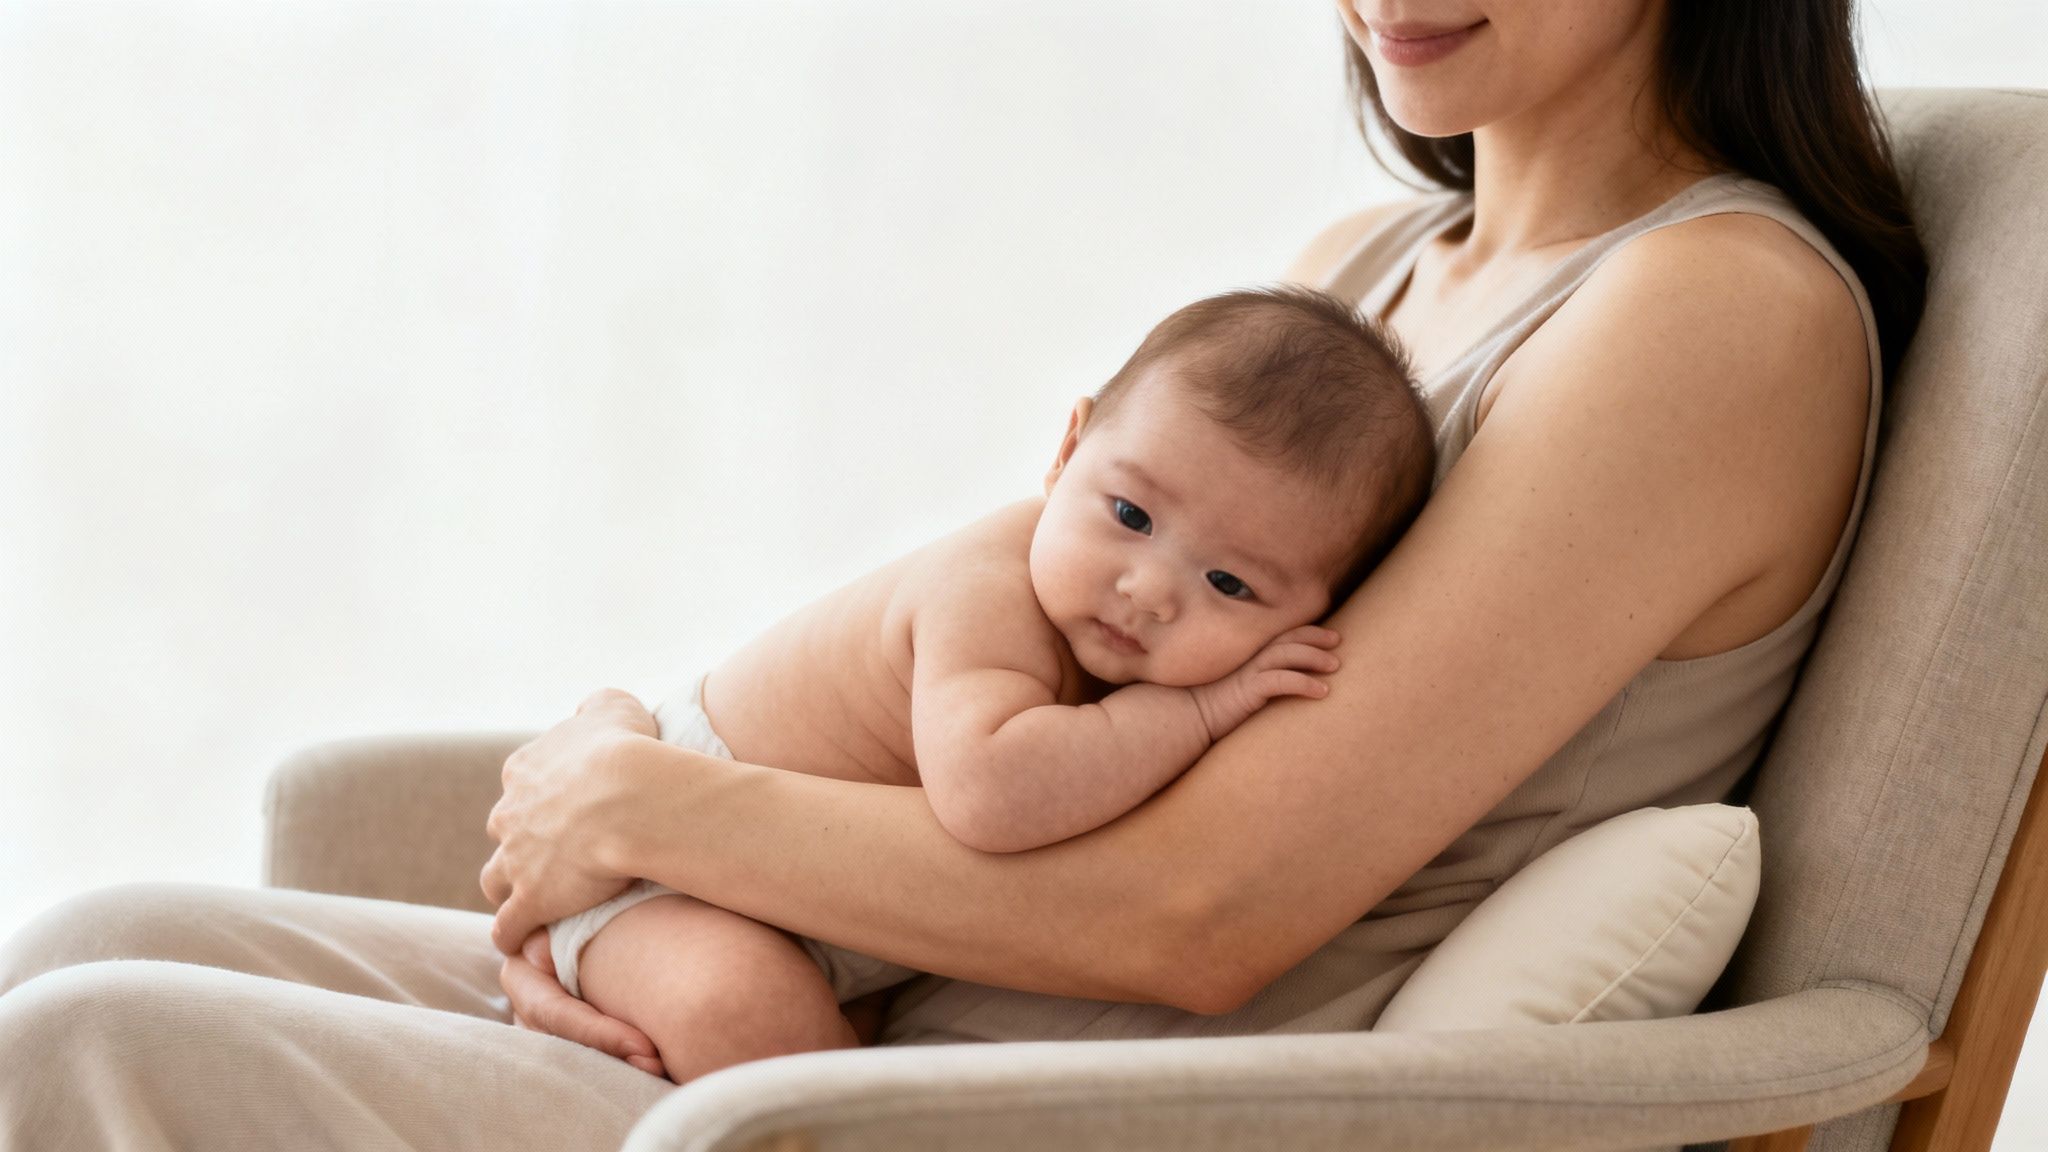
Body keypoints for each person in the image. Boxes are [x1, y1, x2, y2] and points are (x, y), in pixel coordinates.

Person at [0, 0, 1925, 1147]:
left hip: (1044, 1110)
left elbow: (1201, 907)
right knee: (84, 942)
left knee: (78, 1043)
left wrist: (653, 803)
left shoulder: (1708, 314)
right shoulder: (1369, 269)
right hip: (878, 1014)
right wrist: (632, 857)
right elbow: (1035, 641)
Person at [538, 285, 1435, 1084]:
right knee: (744, 1014)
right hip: (664, 871)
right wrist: (1197, 710)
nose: (1151, 590)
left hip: (811, 906)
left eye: (1230, 585)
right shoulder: (987, 586)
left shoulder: (1124, 620)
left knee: (835, 1039)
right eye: (1130, 515)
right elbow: (991, 794)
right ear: (1066, 449)